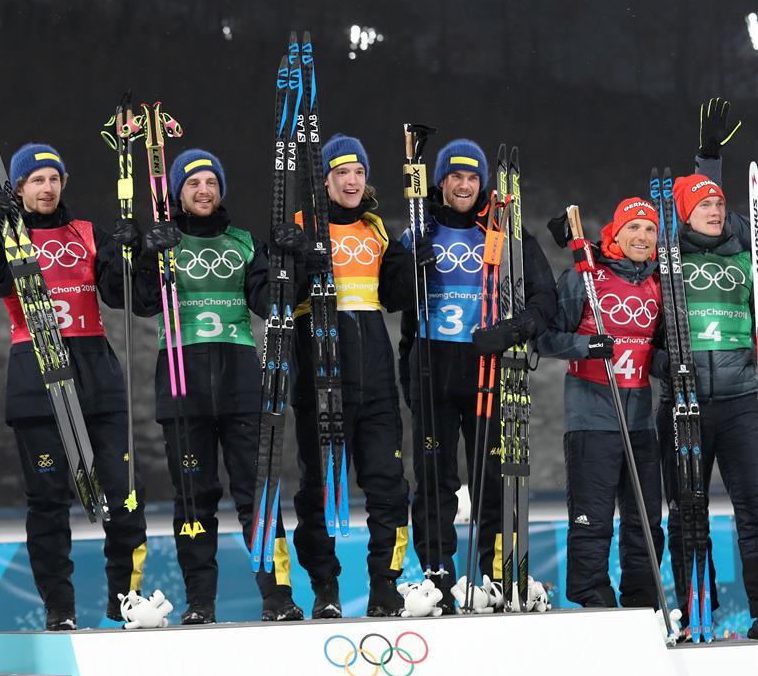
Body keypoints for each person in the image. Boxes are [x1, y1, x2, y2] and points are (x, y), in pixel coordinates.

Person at [0, 143, 147, 630]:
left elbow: (128, 296)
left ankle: (124, 601)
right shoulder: (9, 235)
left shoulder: (87, 233)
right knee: (48, 500)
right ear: (20, 189)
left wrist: (135, 252)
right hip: (36, 372)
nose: (47, 188)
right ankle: (60, 609)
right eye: (36, 180)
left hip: (94, 372)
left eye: (54, 179)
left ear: (63, 183)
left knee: (123, 492)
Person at [133, 148, 303, 624]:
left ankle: (278, 596)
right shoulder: (165, 244)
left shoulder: (244, 242)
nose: (203, 190)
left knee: (257, 494)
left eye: (210, 182)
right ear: (177, 194)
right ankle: (200, 603)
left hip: (241, 381)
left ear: (221, 189)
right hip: (182, 381)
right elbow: (142, 303)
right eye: (192, 184)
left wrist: (290, 260)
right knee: (194, 497)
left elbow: (273, 303)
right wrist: (147, 256)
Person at [398, 139, 557, 612]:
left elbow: (543, 300)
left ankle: (493, 578)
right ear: (440, 182)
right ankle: (436, 580)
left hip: (489, 371)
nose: (464, 185)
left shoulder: (507, 233)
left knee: (492, 480)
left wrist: (512, 330)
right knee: (433, 483)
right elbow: (398, 301)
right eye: (455, 177)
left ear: (482, 184)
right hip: (432, 369)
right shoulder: (417, 232)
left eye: (472, 178)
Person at [291, 134, 422, 618]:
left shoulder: (376, 230)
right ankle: (325, 588)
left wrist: (411, 265)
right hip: (321, 381)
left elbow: (393, 297)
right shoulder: (301, 226)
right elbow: (278, 301)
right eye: (342, 172)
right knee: (320, 491)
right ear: (325, 180)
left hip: (376, 384)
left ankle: (384, 586)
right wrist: (296, 261)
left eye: (359, 172)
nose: (351, 181)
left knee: (390, 487)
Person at [657, 99, 756, 639]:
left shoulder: (745, 254)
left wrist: (711, 165)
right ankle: (699, 614)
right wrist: (664, 364)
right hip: (686, 400)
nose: (714, 212)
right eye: (704, 206)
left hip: (743, 397)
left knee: (755, 510)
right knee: (688, 513)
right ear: (685, 216)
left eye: (719, 204)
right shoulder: (669, 256)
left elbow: (747, 221)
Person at [539, 197, 665, 608]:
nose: (642, 236)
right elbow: (545, 338)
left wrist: (666, 362)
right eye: (633, 228)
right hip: (593, 415)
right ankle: (592, 596)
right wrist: (586, 345)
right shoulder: (585, 277)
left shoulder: (660, 281)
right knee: (592, 521)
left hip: (641, 419)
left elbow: (659, 346)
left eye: (649, 229)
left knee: (645, 522)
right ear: (616, 232)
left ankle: (643, 600)